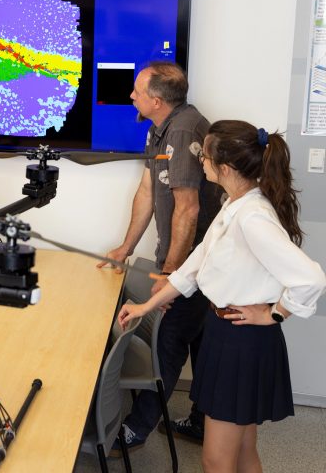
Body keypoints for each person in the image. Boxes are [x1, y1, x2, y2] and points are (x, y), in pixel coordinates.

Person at [118, 120, 326, 472]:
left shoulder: (252, 217)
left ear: (225, 168)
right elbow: (194, 267)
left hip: (241, 342)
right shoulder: (235, 205)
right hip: (228, 335)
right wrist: (147, 304)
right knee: (243, 451)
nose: (199, 160)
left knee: (216, 461)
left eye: (204, 156)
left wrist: (274, 313)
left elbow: (311, 278)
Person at [97, 61, 223, 453]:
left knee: (169, 342)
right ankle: (204, 419)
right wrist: (126, 247)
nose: (130, 96)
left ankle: (135, 429)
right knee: (201, 338)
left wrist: (171, 275)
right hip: (188, 264)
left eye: (136, 92)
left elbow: (187, 208)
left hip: (197, 265)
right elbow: (148, 192)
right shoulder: (160, 128)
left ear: (155, 100)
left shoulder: (184, 129)